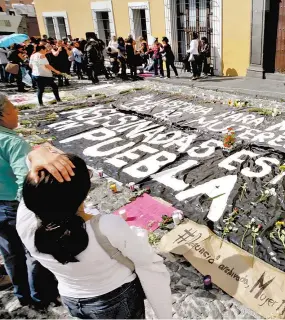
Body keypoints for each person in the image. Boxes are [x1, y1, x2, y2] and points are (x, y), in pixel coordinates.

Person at [17, 154, 172, 319]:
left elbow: (32, 171)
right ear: (82, 192)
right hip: (115, 300)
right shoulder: (107, 226)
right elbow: (148, 264)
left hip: (72, 298)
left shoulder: (24, 221)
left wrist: (38, 158)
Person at [0, 94, 72, 309]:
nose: (18, 112)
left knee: (10, 254)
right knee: (34, 252)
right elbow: (27, 183)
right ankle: (41, 297)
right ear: (2, 115)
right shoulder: (12, 142)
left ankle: (22, 295)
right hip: (15, 207)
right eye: (14, 108)